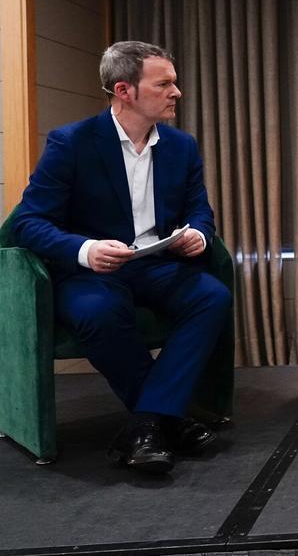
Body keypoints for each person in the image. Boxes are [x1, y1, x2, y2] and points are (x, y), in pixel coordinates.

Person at [12, 41, 232, 474]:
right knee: (99, 310)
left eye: (174, 82)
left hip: (157, 264)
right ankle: (169, 421)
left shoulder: (181, 146)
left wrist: (199, 237)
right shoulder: (71, 143)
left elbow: (198, 209)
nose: (176, 92)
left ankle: (149, 423)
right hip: (92, 270)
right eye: (164, 83)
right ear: (124, 90)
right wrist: (86, 250)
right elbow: (29, 222)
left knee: (213, 296)